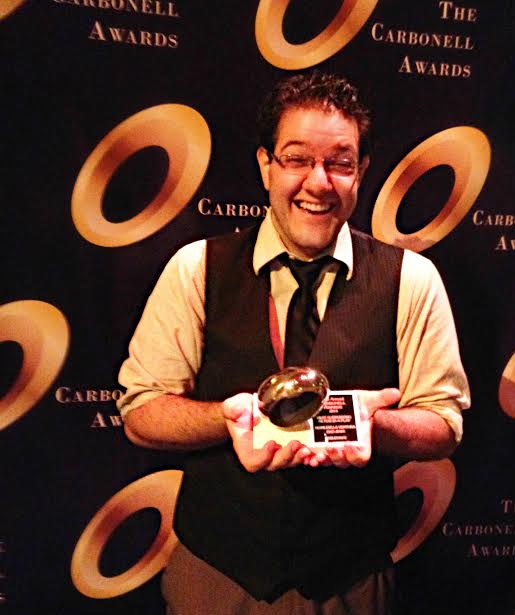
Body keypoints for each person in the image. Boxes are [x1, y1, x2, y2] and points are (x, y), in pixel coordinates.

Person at [117, 70, 470, 614]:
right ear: (266, 165)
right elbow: (142, 412)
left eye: (340, 163)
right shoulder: (196, 269)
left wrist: (371, 425)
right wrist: (227, 418)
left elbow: (444, 424)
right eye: (297, 159)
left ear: (361, 172)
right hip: (218, 575)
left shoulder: (412, 280)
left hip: (349, 582)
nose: (318, 182)